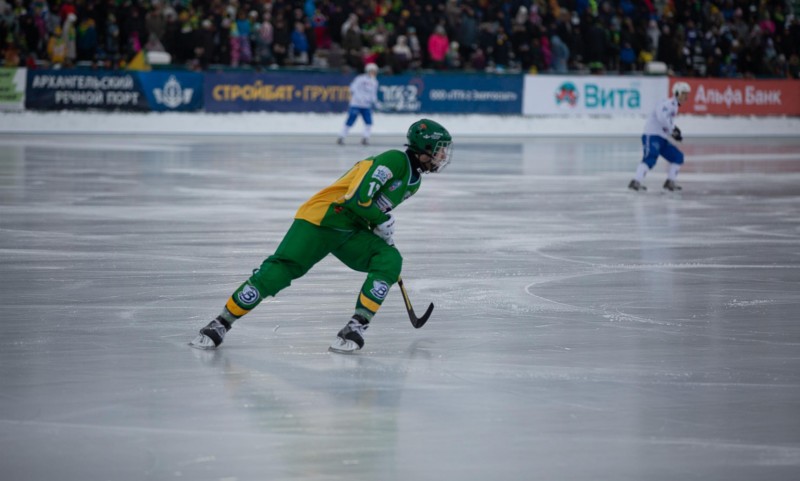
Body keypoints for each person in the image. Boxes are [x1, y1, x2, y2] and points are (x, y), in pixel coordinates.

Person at [190, 119, 454, 353]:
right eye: (440, 148)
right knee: (281, 270)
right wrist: (382, 220)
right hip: (322, 217)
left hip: (350, 230)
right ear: (424, 148)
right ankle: (221, 323)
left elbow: (372, 209)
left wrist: (380, 227)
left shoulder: (414, 182)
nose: (443, 155)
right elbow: (359, 200)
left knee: (389, 259)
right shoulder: (394, 160)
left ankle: (355, 327)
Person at [628, 82, 691, 192]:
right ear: (677, 93)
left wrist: (673, 132)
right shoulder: (668, 103)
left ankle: (670, 182)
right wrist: (673, 129)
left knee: (678, 157)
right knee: (650, 158)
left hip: (661, 138)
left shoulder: (674, 106)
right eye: (684, 93)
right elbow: (662, 117)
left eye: (687, 94)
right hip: (652, 135)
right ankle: (635, 182)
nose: (686, 96)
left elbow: (665, 121)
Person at [337, 62, 380, 146]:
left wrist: (376, 102)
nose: (374, 73)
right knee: (350, 121)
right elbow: (352, 88)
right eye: (372, 71)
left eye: (375, 71)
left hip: (366, 106)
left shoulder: (375, 82)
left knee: (369, 122)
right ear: (368, 71)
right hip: (356, 104)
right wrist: (359, 98)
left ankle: (365, 138)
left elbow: (373, 94)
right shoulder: (360, 78)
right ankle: (341, 137)